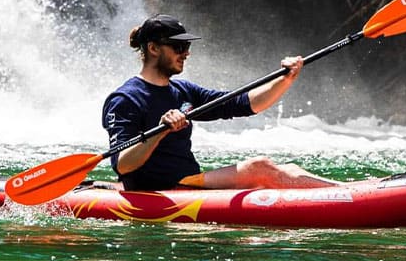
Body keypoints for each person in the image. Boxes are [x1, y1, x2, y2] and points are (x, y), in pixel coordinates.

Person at [102, 14, 337, 191]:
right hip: (160, 189)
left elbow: (245, 104)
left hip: (189, 183)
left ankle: (347, 190)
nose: (186, 53)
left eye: (187, 47)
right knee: (259, 167)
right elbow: (122, 165)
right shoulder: (125, 99)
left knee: (289, 169)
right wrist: (160, 132)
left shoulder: (184, 91)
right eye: (178, 47)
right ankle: (345, 196)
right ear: (153, 48)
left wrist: (286, 79)